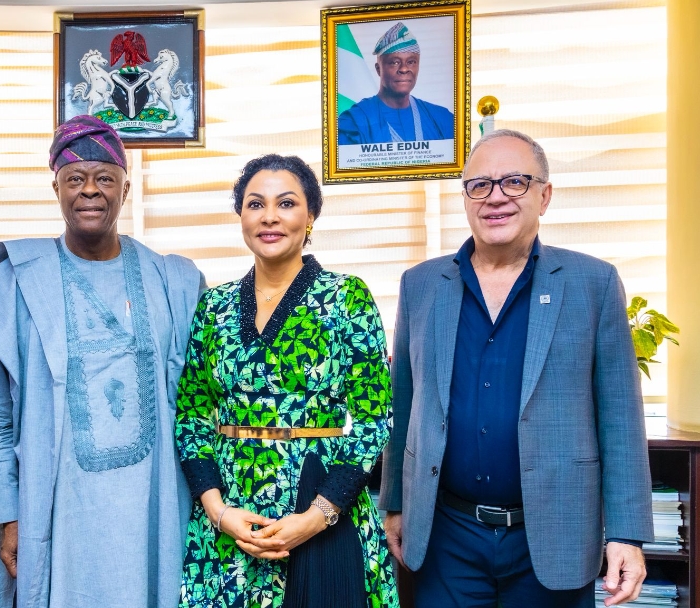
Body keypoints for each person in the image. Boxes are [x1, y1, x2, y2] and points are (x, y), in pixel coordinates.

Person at [379, 129, 653, 607]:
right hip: (447, 536)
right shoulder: (421, 284)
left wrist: (627, 534)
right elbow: (403, 404)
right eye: (479, 185)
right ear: (465, 198)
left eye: (514, 182)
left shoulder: (593, 284)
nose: (495, 197)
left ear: (544, 196)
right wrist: (395, 505)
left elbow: (621, 419)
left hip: (554, 533)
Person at [0, 114, 206, 608]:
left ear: (125, 188)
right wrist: (7, 517)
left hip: (155, 511)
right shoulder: (18, 284)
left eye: (105, 178)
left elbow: (201, 405)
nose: (90, 190)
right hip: (57, 516)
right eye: (75, 178)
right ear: (56, 188)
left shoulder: (173, 282)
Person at [176, 154, 397, 608]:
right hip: (229, 523)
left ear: (311, 215)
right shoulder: (213, 307)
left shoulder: (346, 297)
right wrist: (218, 512)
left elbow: (374, 420)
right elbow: (192, 417)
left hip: (321, 509)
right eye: (256, 204)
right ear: (241, 216)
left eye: (287, 203)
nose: (270, 217)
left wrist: (316, 516)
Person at [336, 22, 454, 145]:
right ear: (378, 69)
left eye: (411, 62)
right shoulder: (355, 123)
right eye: (395, 62)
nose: (404, 69)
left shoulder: (442, 119)